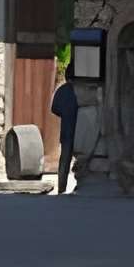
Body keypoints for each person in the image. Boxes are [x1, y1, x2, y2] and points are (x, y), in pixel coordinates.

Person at [51, 70, 81, 198]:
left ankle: (61, 187)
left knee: (65, 159)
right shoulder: (79, 91)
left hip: (66, 129)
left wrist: (64, 113)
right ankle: (81, 183)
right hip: (79, 128)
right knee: (82, 158)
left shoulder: (61, 90)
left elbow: (54, 108)